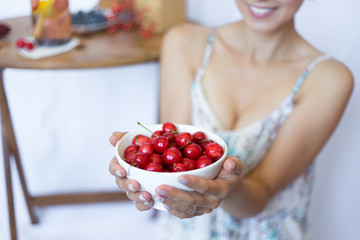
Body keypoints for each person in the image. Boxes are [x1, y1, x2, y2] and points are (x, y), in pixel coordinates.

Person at [109, 0, 354, 239]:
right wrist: (143, 177)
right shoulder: (184, 43)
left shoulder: (329, 79)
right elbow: (171, 160)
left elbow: (260, 196)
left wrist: (229, 188)